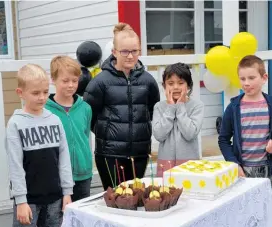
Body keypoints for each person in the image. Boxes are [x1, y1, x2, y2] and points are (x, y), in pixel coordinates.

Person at [6, 64, 74, 227]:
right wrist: (21, 201)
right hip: (28, 202)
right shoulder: (15, 124)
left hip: (54, 198)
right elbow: (15, 166)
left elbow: (63, 158)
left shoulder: (55, 120)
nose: (42, 97)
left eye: (45, 91)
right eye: (36, 93)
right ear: (20, 93)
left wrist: (67, 192)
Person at [84, 23, 160, 190]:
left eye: (134, 51)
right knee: (116, 199)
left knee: (135, 197)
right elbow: (88, 116)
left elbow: (153, 110)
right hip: (110, 155)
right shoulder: (100, 82)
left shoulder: (148, 81)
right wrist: (108, 131)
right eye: (124, 51)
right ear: (114, 52)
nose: (130, 56)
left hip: (139, 153)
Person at [46, 55, 93, 201]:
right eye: (65, 81)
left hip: (82, 173)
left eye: (74, 80)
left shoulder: (85, 108)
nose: (71, 85)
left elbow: (86, 136)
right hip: (57, 175)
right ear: (53, 80)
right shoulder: (46, 110)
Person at [219, 54, 272, 180]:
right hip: (242, 171)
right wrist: (234, 164)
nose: (246, 83)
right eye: (242, 79)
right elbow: (223, 140)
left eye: (251, 78)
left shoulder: (270, 105)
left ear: (264, 78)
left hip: (269, 169)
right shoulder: (233, 107)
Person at [152, 63, 204, 176]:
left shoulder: (197, 106)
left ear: (189, 86)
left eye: (181, 83)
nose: (175, 87)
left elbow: (190, 133)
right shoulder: (159, 107)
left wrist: (180, 106)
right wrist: (170, 108)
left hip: (189, 165)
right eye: (170, 83)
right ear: (164, 86)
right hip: (166, 165)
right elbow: (159, 135)